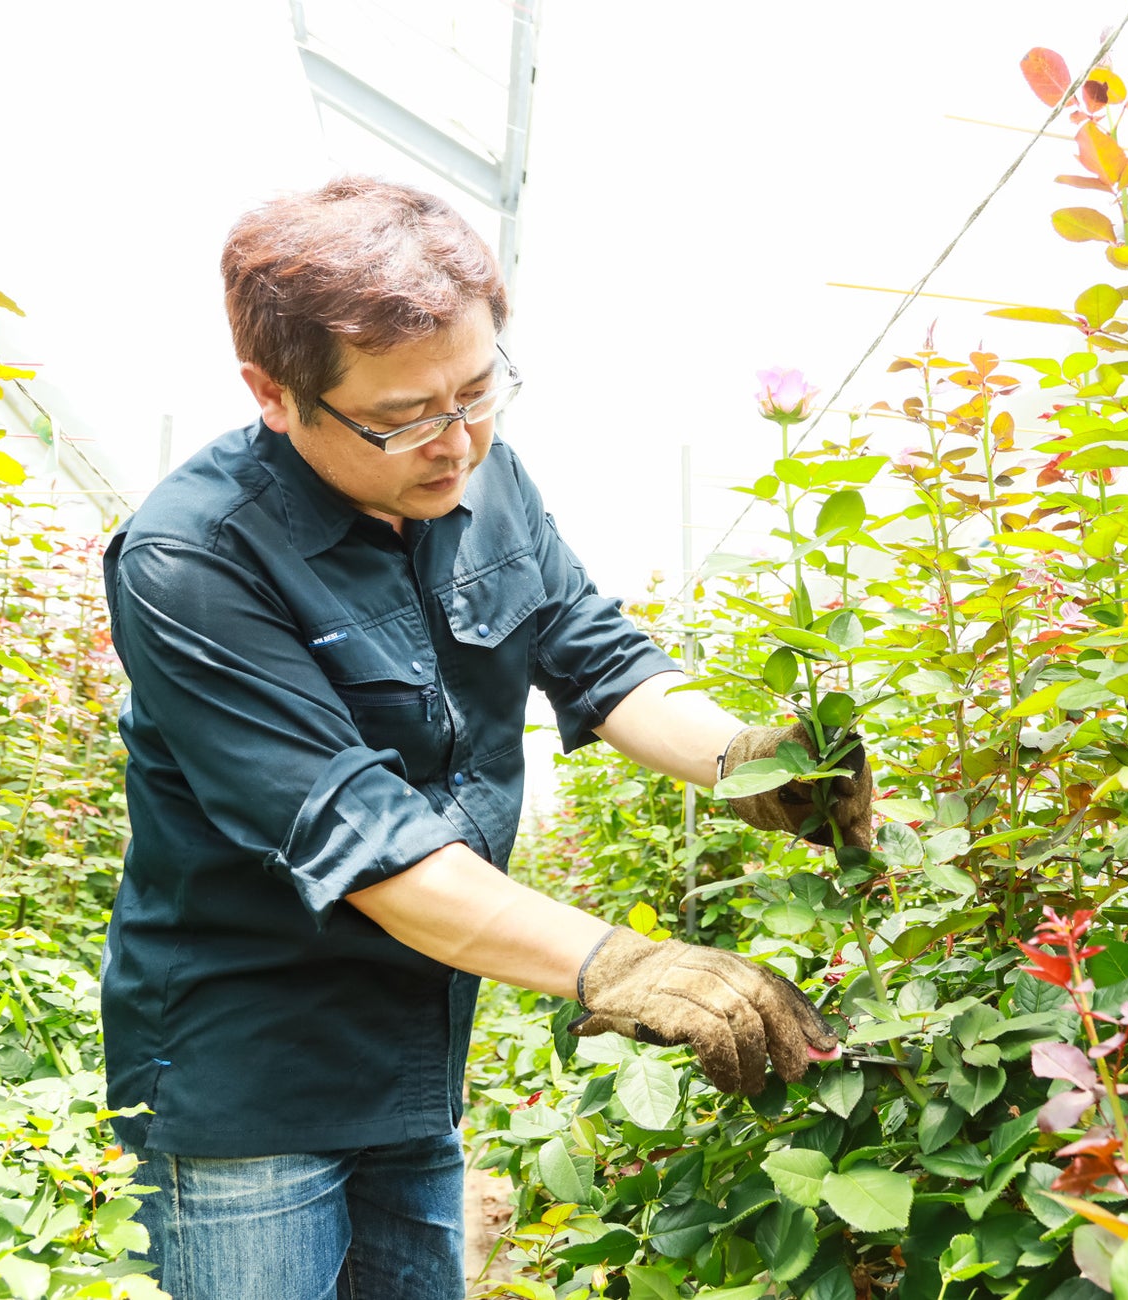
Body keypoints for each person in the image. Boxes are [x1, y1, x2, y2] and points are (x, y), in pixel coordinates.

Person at [99, 175, 873, 1300]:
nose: (456, 441)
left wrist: (746, 760)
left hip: (416, 1044)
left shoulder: (481, 473)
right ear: (274, 394)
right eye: (406, 414)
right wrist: (624, 962)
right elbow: (366, 840)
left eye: (477, 390)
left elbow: (596, 656)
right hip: (249, 1077)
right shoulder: (192, 560)